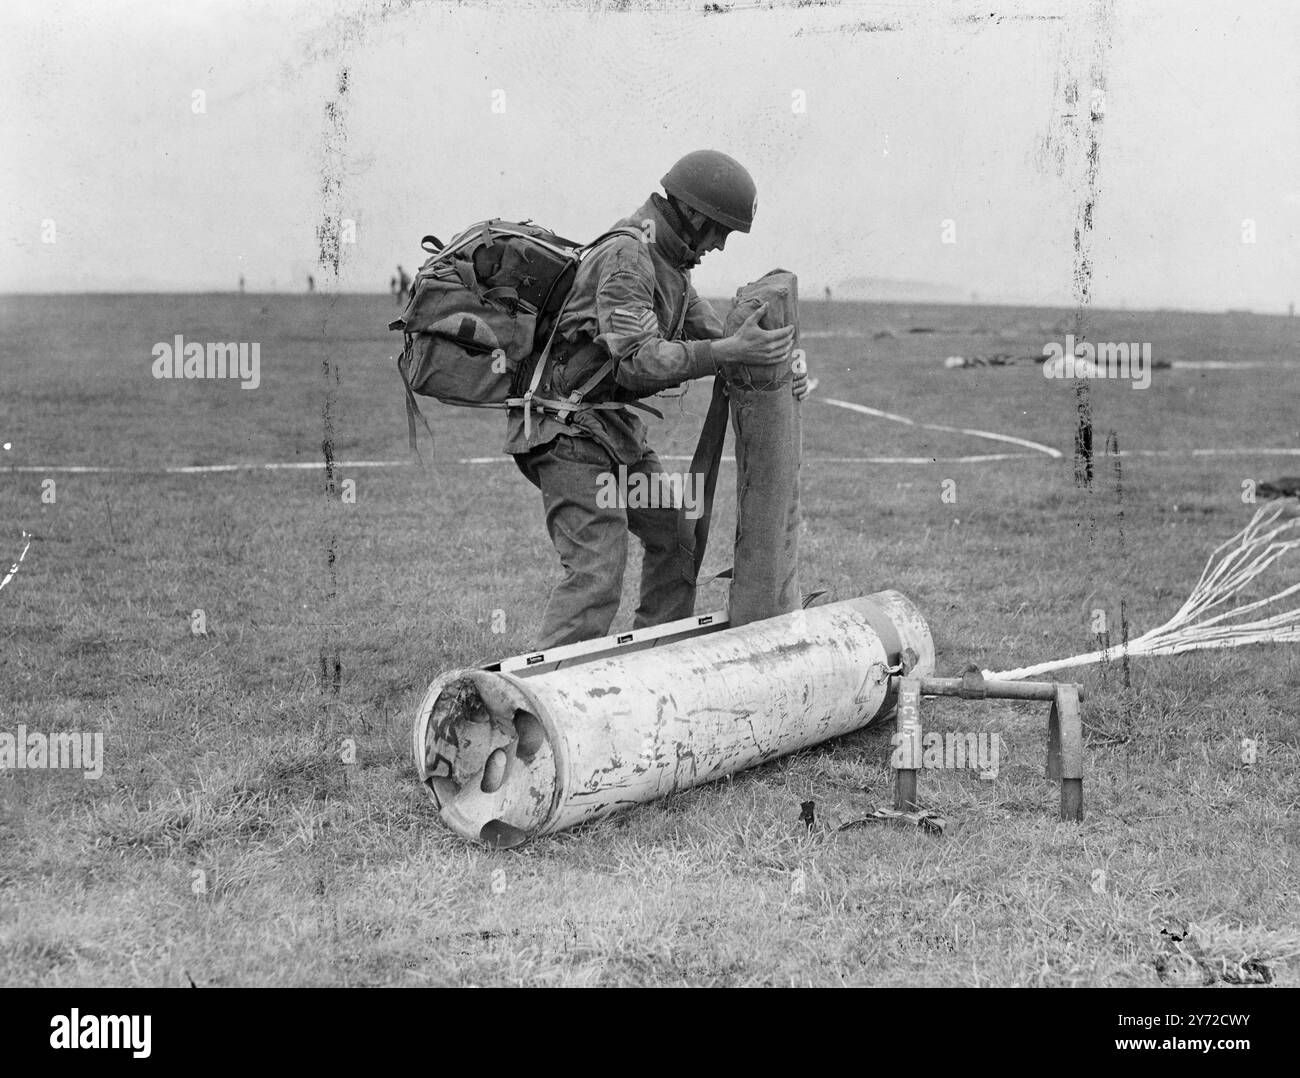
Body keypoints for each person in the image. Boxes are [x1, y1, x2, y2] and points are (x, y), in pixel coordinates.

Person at [508, 150, 809, 650]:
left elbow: (724, 342)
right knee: (595, 574)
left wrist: (782, 370)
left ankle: (657, 668)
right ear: (692, 214)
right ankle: (542, 702)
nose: (719, 245)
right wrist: (729, 351)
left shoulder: (670, 265)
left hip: (609, 436)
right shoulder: (628, 257)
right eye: (719, 231)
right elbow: (637, 360)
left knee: (676, 535)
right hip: (566, 438)